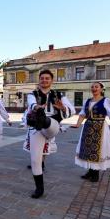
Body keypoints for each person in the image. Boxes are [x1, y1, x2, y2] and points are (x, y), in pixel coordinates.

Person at [25, 70, 75, 198]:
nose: (44, 80)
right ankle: (39, 189)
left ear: (52, 80)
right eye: (42, 78)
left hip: (52, 124)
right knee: (35, 160)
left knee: (49, 124)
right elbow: (31, 103)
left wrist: (62, 108)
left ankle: (43, 119)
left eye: (47, 78)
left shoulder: (59, 95)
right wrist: (37, 108)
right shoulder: (33, 94)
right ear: (39, 80)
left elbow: (72, 110)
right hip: (37, 128)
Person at [71, 82, 110, 182]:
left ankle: (95, 174)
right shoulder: (87, 101)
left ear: (101, 89)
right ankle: (90, 172)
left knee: (97, 150)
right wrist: (78, 124)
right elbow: (83, 114)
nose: (94, 88)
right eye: (92, 87)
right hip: (88, 127)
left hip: (100, 127)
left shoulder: (106, 101)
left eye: (96, 87)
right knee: (88, 149)